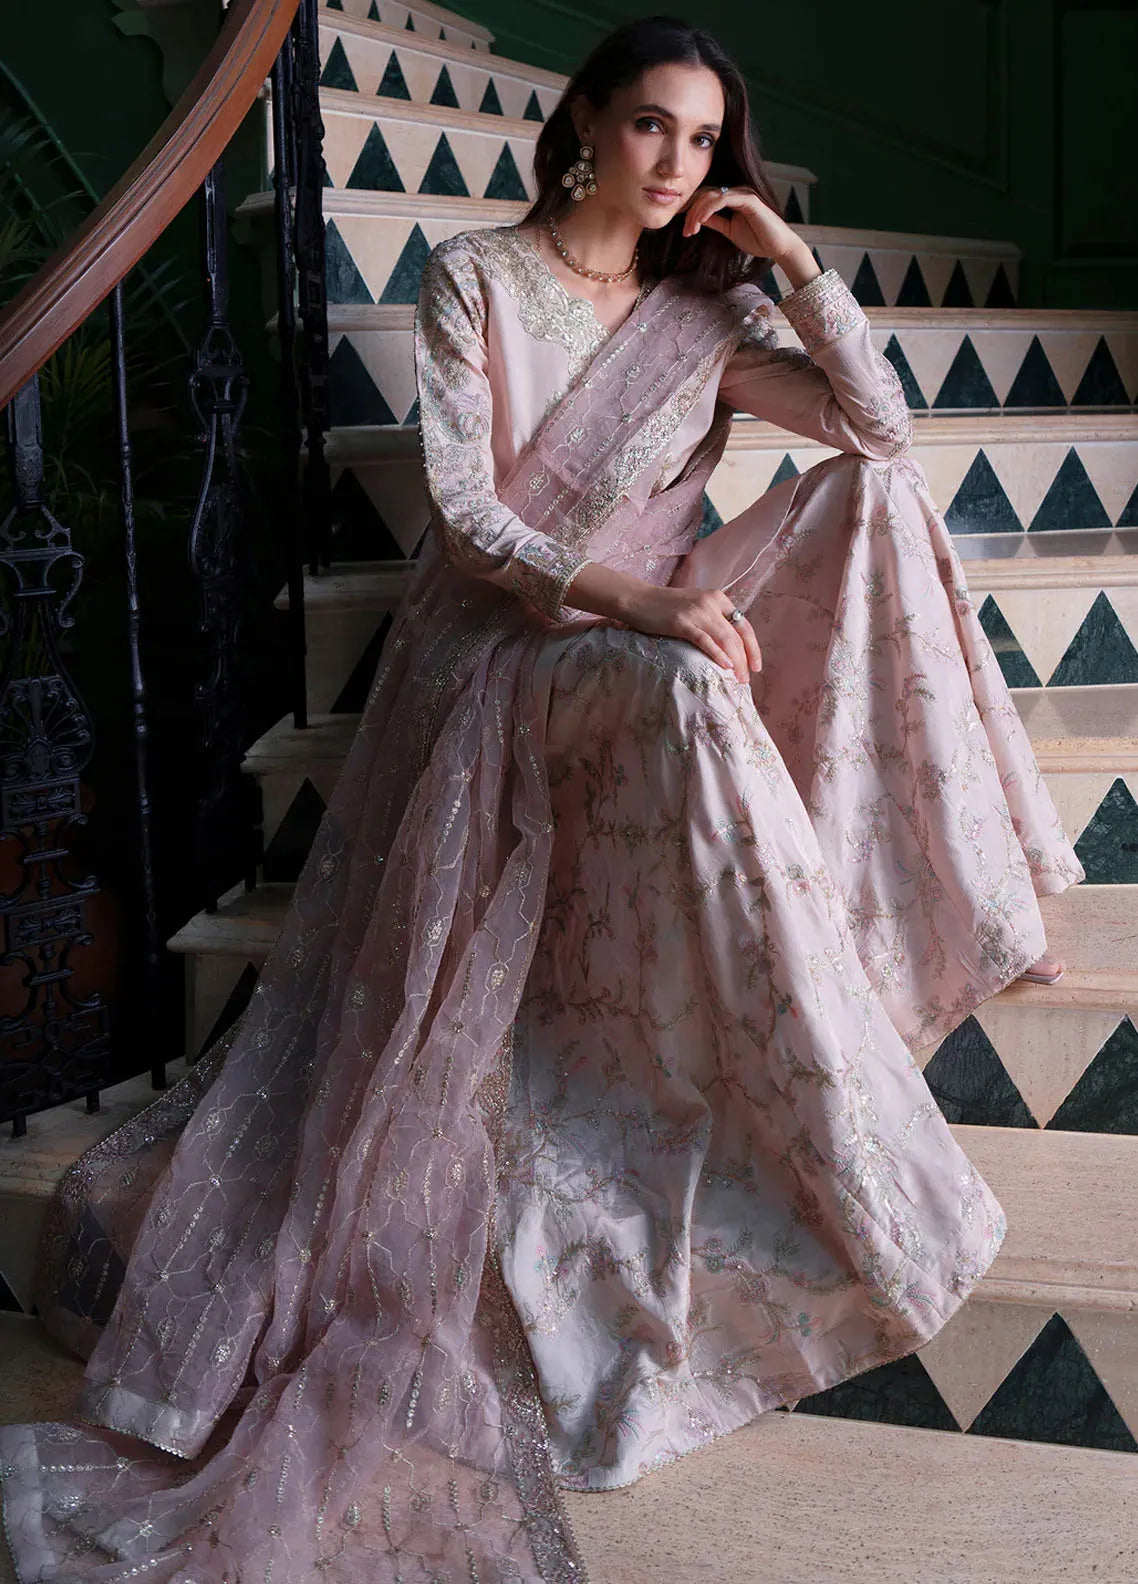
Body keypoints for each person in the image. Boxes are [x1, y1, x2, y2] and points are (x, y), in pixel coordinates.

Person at [0, 15, 1083, 1583]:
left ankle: (907, 884)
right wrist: (638, 604)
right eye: (651, 127)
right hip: (513, 647)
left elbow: (879, 428)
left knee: (869, 496)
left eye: (703, 141)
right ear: (581, 123)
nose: (678, 164)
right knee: (686, 679)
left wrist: (788, 262)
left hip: (654, 624)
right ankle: (820, 1054)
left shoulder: (703, 312)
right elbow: (464, 522)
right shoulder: (476, 279)